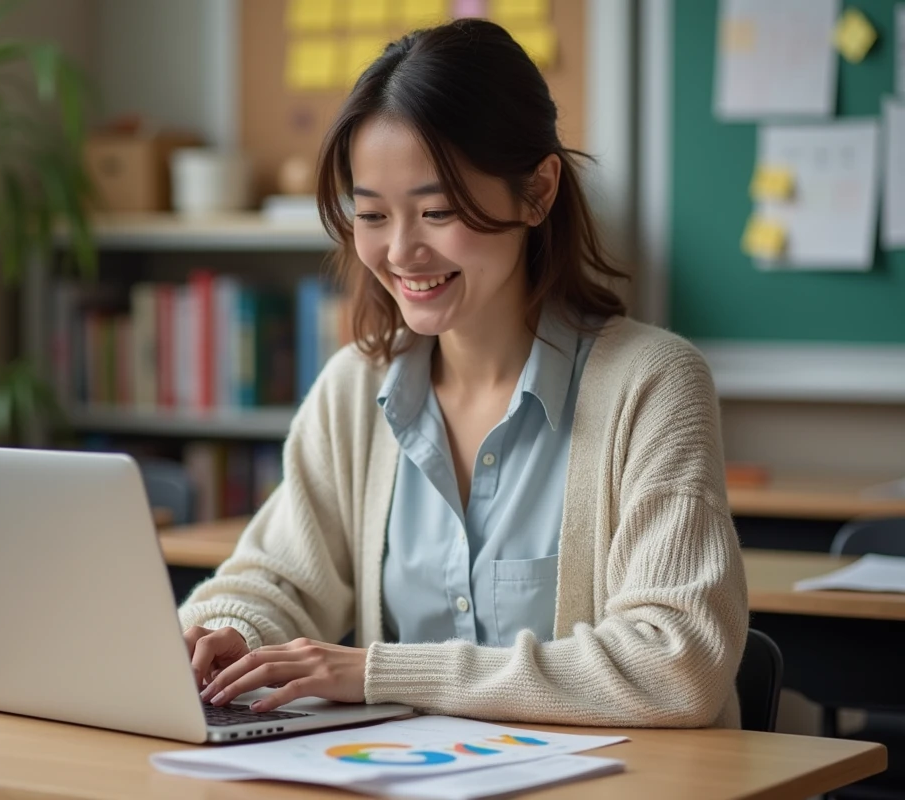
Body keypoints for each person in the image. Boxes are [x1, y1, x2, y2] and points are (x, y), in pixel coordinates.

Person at [180, 18, 747, 728]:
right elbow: (278, 578)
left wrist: (380, 672)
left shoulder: (654, 385)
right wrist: (226, 630)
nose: (400, 251)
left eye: (437, 211)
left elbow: (677, 662)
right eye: (372, 215)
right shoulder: (355, 388)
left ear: (537, 191)